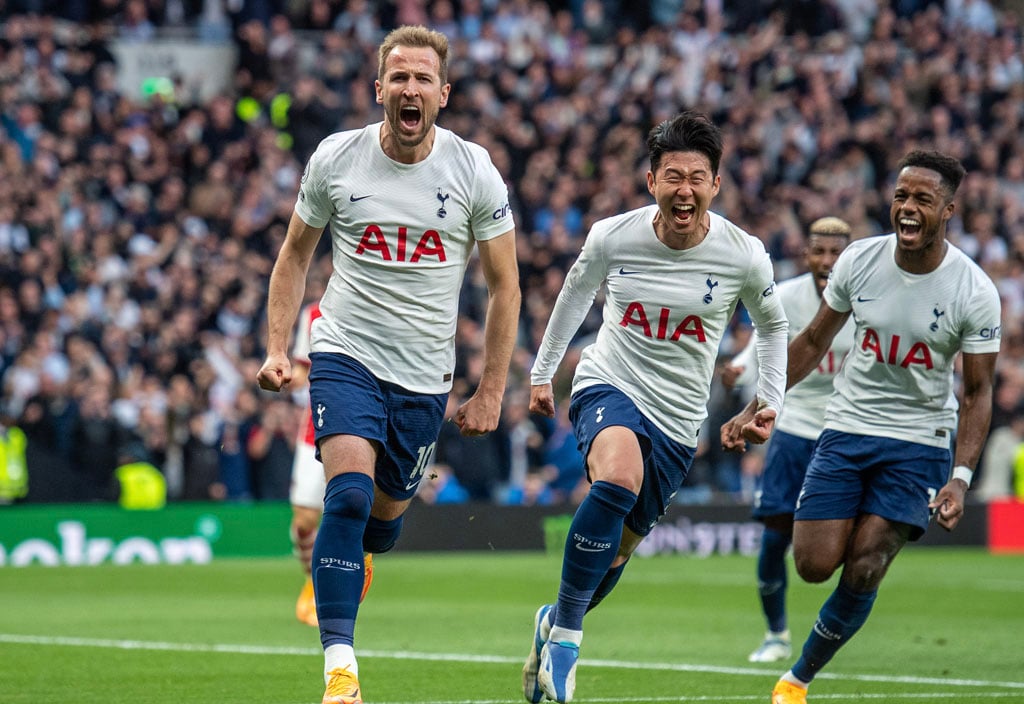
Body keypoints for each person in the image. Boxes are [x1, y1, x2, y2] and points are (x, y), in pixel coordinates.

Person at [256, 25, 520, 704]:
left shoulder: (473, 170)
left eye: (421, 78)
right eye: (397, 77)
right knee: (342, 497)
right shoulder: (336, 159)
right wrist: (280, 348)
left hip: (425, 379)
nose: (409, 88)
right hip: (344, 353)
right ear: (379, 89)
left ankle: (363, 552)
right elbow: (294, 254)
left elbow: (504, 284)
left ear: (443, 93)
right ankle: (340, 671)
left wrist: (492, 389)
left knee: (380, 523)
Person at [524, 111, 789, 704]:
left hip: (678, 419)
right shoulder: (613, 236)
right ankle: (566, 642)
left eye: (697, 177)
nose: (684, 190)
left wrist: (768, 400)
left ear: (715, 185)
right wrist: (543, 374)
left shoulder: (743, 254)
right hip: (609, 380)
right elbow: (574, 294)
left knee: (616, 552)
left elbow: (772, 326)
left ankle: (553, 619)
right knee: (617, 479)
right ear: (651, 182)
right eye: (673, 176)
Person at [721, 150, 1002, 704]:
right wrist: (762, 401)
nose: (908, 207)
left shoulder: (974, 291)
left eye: (923, 198)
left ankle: (796, 680)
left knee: (867, 562)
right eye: (901, 195)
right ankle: (835, 586)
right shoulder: (860, 261)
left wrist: (962, 477)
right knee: (812, 564)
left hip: (920, 439)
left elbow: (976, 393)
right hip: (846, 428)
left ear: (948, 209)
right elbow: (813, 341)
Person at [720, 216, 855, 663]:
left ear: (849, 256)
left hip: (845, 429)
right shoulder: (788, 295)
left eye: (837, 253)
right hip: (794, 428)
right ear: (806, 254)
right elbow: (765, 338)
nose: (827, 261)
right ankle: (776, 635)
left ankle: (838, 631)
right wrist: (741, 364)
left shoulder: (866, 298)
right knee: (776, 536)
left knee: (852, 544)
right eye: (820, 251)